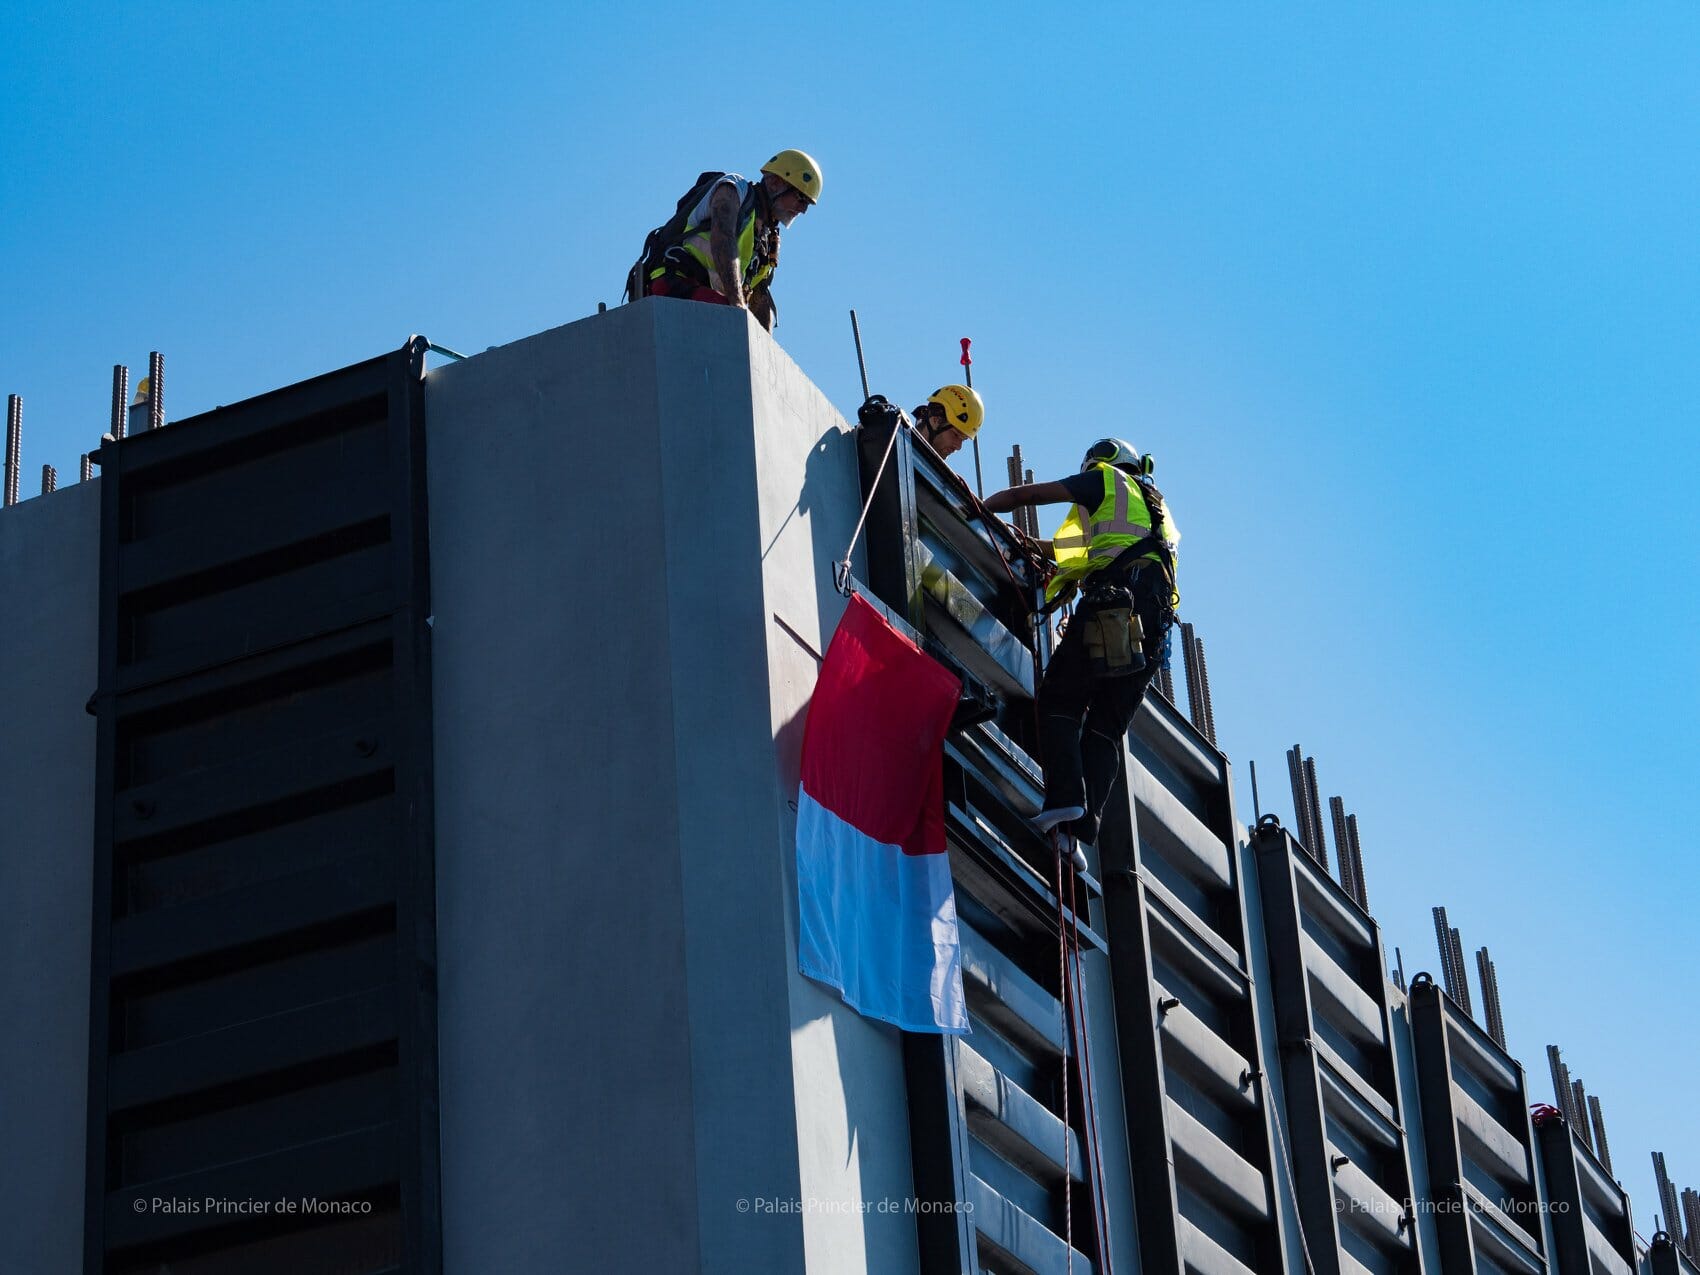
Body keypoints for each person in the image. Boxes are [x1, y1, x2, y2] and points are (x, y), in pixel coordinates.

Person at [983, 437, 1180, 854]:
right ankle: (1079, 833)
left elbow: (1033, 494)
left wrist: (986, 506)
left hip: (1114, 603)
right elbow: (1081, 553)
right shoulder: (1157, 514)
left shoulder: (1104, 480)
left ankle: (1066, 800)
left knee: (1059, 697)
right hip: (1152, 629)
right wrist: (1035, 548)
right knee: (1105, 728)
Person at [631, 150, 822, 331]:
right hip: (672, 286)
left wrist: (763, 348)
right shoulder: (733, 190)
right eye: (801, 198)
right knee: (731, 320)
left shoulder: (767, 240)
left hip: (708, 300)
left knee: (739, 326)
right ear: (774, 183)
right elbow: (723, 240)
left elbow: (759, 297)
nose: (803, 210)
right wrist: (738, 305)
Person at [912, 384, 984, 460]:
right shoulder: (899, 444)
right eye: (956, 434)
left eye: (963, 439)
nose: (958, 446)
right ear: (935, 420)